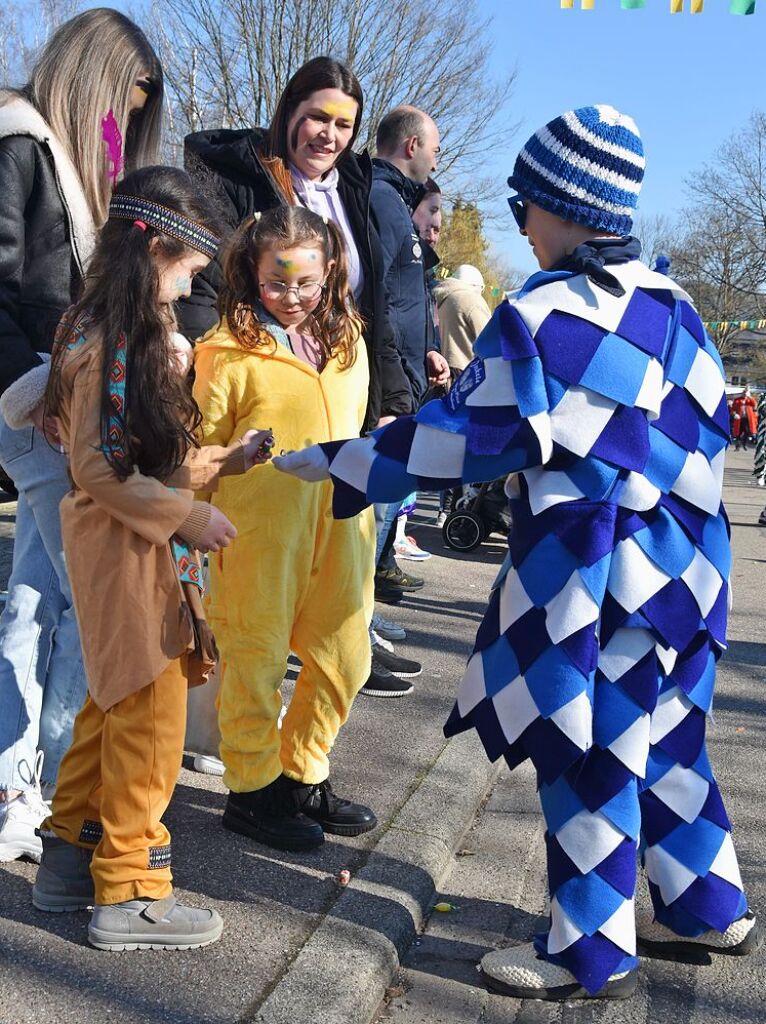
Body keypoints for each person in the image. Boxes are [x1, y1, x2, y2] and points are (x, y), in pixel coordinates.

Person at [275, 106, 760, 1000]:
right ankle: (704, 906)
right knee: (670, 745)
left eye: (521, 205)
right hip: (694, 573)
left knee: (588, 757)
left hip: (601, 577)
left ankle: (589, 952)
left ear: (559, 205)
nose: (517, 224)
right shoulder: (676, 305)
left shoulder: (542, 315)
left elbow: (465, 439)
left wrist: (331, 463)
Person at [29, 166, 274, 950]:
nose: (191, 285)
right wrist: (190, 513)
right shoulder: (117, 343)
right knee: (153, 721)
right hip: (129, 556)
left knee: (112, 703)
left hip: (122, 549)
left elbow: (137, 462)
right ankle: (131, 889)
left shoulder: (97, 331)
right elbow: (102, 471)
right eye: (189, 269)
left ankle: (71, 856)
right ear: (154, 249)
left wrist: (224, 463)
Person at [0, 8, 164, 863]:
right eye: (128, 102)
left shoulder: (50, 150)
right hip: (37, 402)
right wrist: (43, 389)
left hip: (49, 397)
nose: (129, 124)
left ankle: (23, 783)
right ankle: (65, 784)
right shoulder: (21, 142)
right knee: (96, 600)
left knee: (35, 595)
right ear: (96, 77)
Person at [192, 205, 378, 851]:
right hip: (259, 532)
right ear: (251, 273)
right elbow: (199, 451)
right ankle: (251, 787)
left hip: (345, 526)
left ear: (330, 272)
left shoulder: (349, 340)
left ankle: (302, 771)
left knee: (345, 658)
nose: (293, 297)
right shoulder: (225, 353)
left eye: (306, 282)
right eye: (277, 283)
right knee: (256, 659)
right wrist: (189, 520)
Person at [179, 56, 411, 434]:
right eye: (318, 117)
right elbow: (202, 291)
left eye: (343, 125)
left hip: (340, 396)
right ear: (288, 112)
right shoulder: (236, 184)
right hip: (259, 400)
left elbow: (372, 305)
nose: (329, 135)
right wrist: (197, 393)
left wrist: (395, 402)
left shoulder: (355, 192)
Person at [370, 107, 450, 606]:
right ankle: (357, 632)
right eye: (435, 150)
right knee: (374, 513)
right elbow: (377, 301)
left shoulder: (397, 202)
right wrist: (395, 380)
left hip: (407, 377)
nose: (436, 162)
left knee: (382, 513)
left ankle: (363, 626)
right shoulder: (382, 200)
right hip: (388, 386)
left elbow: (408, 299)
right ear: (412, 146)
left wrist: (430, 355)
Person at [432, 264, 492, 528]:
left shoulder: (442, 299)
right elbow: (490, 340)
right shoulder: (470, 300)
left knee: (449, 445)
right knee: (467, 448)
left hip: (445, 372)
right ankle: (465, 506)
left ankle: (444, 508)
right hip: (470, 376)